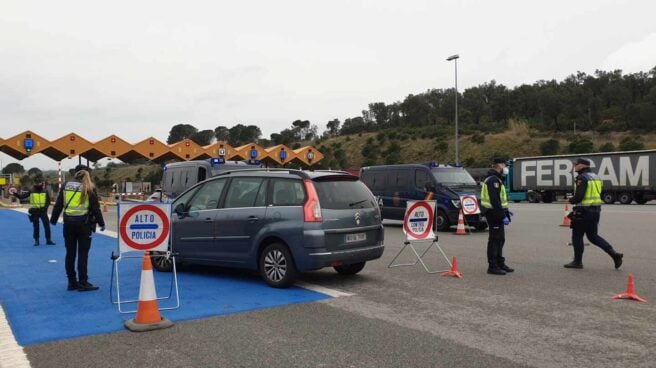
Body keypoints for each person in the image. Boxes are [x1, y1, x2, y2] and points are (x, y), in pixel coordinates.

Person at [50, 165, 106, 291]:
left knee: (70, 254)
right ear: (87, 174)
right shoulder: (89, 187)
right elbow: (95, 208)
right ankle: (83, 282)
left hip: (68, 224)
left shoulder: (66, 185)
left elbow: (59, 204)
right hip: (84, 225)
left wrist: (53, 219)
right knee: (83, 254)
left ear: (75, 173)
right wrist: (101, 223)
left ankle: (71, 282)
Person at [564, 158, 623, 269]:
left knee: (577, 236)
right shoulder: (595, 177)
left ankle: (577, 262)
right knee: (593, 236)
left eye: (576, 165)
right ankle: (614, 254)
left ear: (582, 166)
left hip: (583, 211)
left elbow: (579, 197)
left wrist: (570, 200)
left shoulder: (582, 178)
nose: (574, 166)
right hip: (595, 210)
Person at [480, 157, 514, 275]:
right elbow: (494, 200)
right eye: (505, 164)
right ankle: (492, 266)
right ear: (499, 165)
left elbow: (500, 199)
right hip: (493, 213)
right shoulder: (493, 180)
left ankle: (500, 263)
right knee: (494, 240)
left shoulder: (498, 179)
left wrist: (506, 211)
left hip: (497, 213)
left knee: (500, 239)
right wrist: (502, 215)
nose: (506, 167)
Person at [13, 176, 55, 246]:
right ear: (35, 183)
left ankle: (48, 240)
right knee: (36, 226)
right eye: (37, 182)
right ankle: (36, 240)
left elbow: (48, 201)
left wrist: (45, 208)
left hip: (43, 211)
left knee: (47, 225)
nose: (39, 184)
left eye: (40, 182)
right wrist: (15, 193)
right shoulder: (31, 191)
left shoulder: (45, 191)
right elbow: (21, 197)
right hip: (35, 211)